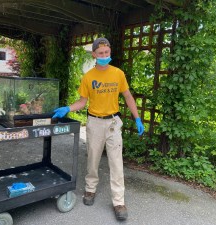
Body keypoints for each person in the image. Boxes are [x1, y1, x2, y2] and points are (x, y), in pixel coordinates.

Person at [52, 37, 144, 220]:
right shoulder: (88, 77)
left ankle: (119, 202)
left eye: (107, 53)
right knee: (93, 159)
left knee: (116, 162)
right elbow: (82, 102)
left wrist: (137, 118)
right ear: (94, 54)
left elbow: (128, 96)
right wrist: (68, 108)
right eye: (100, 53)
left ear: (110, 53)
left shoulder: (118, 74)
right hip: (94, 122)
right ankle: (90, 190)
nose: (104, 55)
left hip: (113, 123)